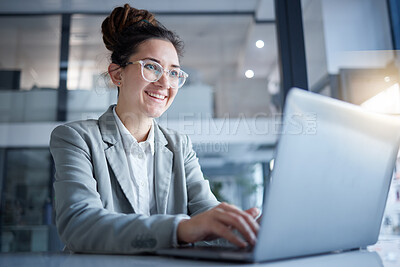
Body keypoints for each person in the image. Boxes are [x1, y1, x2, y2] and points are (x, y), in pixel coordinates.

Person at [50, 3, 259, 254]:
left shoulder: (179, 146)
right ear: (117, 74)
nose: (164, 83)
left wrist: (249, 227)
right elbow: (80, 225)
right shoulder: (77, 139)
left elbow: (208, 211)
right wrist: (179, 229)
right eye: (151, 66)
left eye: (173, 73)